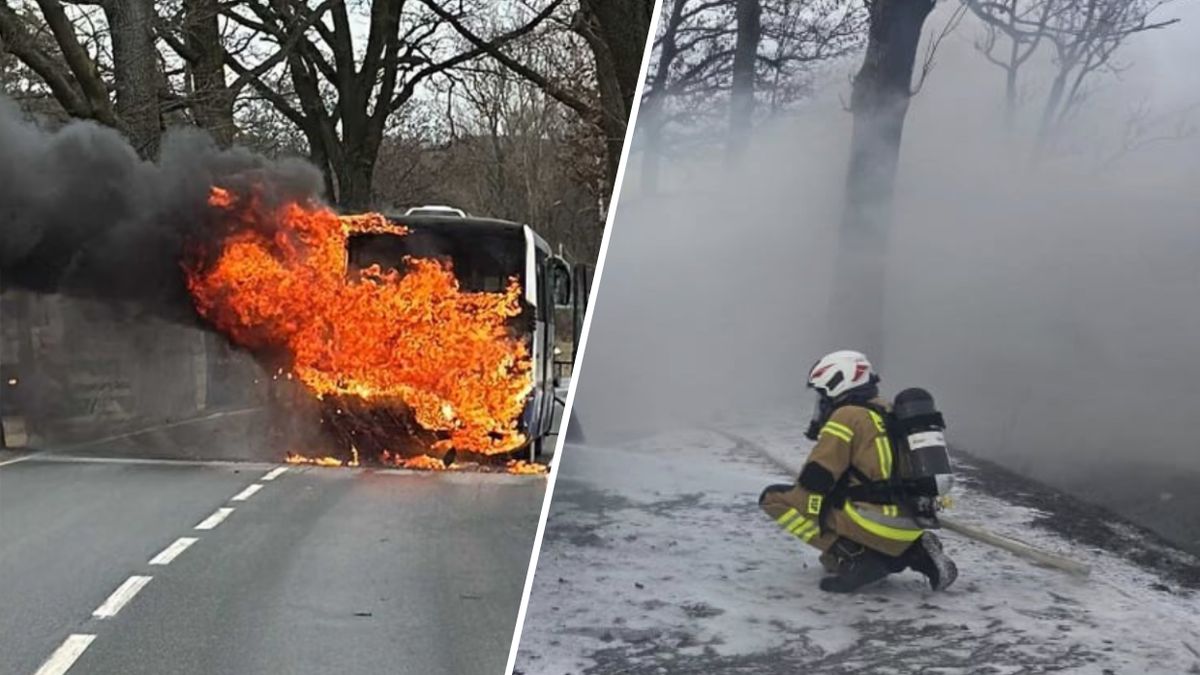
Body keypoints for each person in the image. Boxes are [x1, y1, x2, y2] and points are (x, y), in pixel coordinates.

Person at [759, 350, 958, 593]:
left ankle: (854, 557)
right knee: (830, 559)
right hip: (913, 518)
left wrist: (812, 510)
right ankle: (916, 550)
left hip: (873, 523)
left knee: (775, 499)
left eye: (822, 393)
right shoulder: (888, 410)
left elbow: (817, 478)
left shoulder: (846, 416)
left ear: (838, 383)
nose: (821, 401)